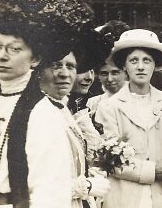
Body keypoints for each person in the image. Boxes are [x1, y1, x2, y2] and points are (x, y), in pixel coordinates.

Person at [0, 0, 90, 207]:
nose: (2, 56)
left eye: (15, 49)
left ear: (34, 59)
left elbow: (51, 190)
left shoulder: (41, 112)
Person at [95, 29, 162, 208]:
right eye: (133, 61)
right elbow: (109, 159)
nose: (140, 67)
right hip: (124, 194)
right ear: (124, 66)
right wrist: (152, 172)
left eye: (147, 60)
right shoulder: (109, 107)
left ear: (154, 65)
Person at [38, 48, 111, 207]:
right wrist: (86, 186)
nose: (64, 74)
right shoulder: (38, 112)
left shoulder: (64, 108)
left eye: (71, 67)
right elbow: (37, 182)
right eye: (57, 66)